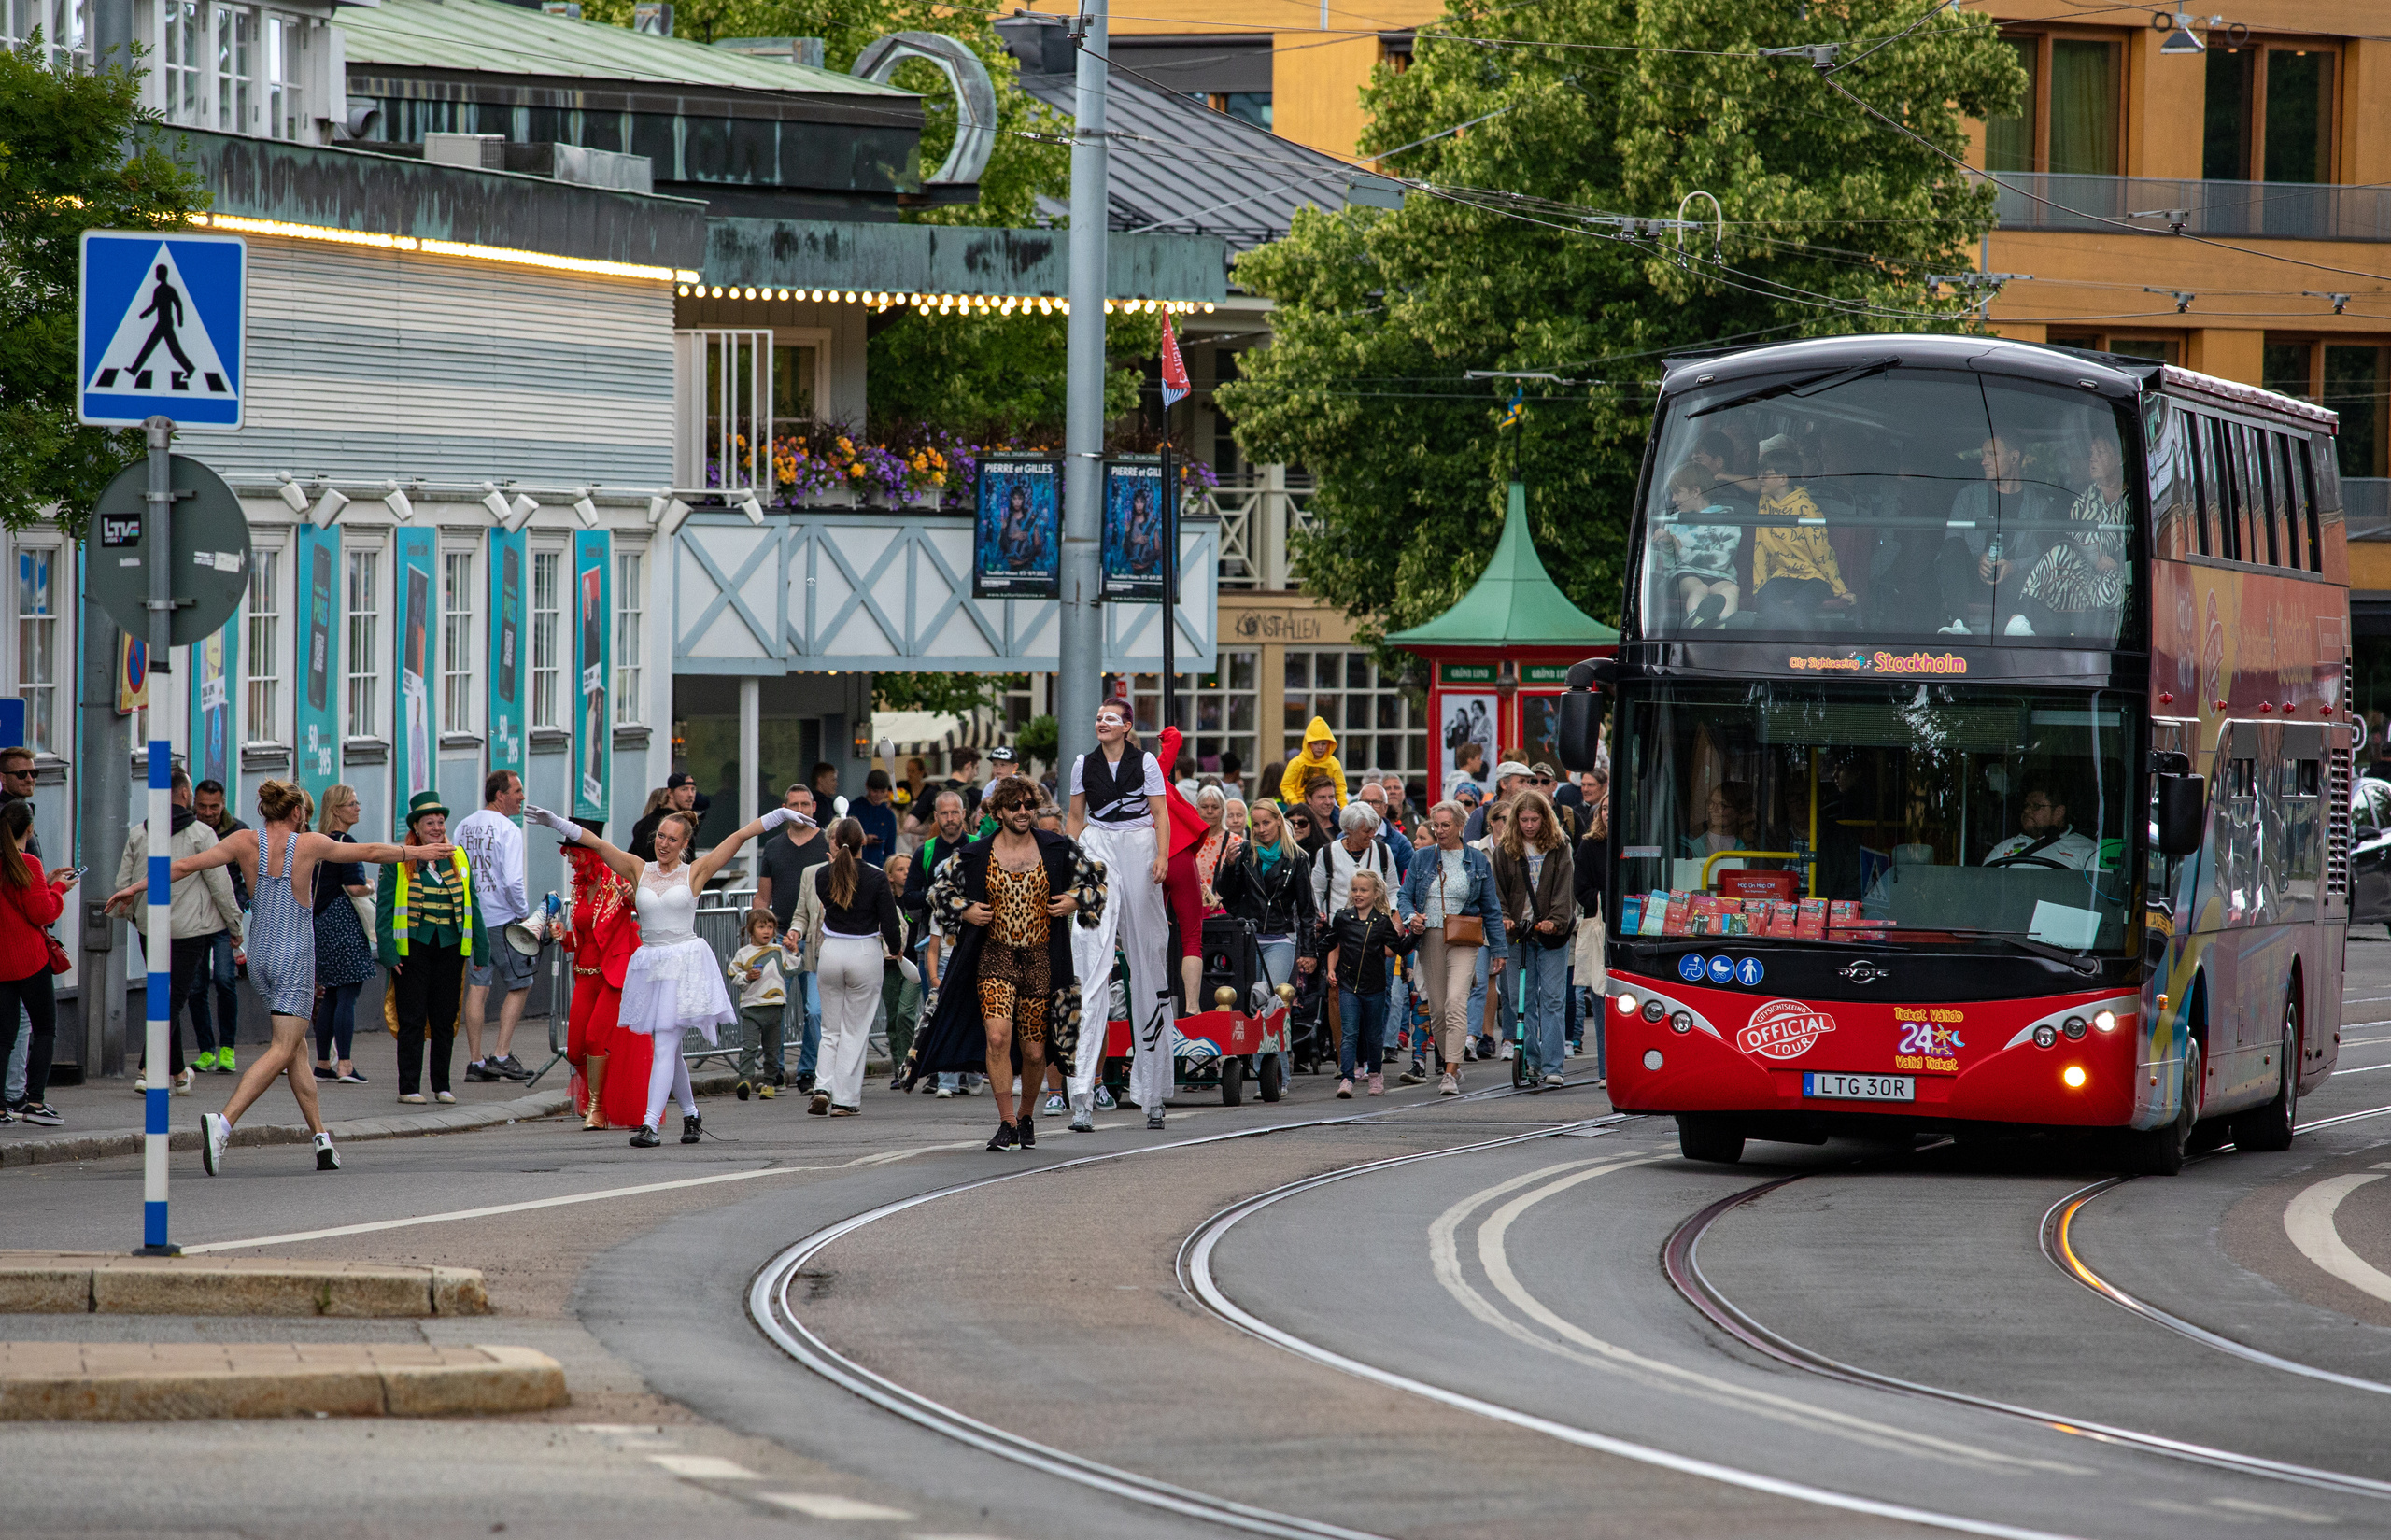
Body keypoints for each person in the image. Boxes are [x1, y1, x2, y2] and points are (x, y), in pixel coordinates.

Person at [111, 780, 448, 1174]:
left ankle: (321, 1139)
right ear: (295, 813)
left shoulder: (242, 841)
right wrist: (420, 850)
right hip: (294, 957)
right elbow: (370, 851)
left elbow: (183, 865)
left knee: (296, 1048)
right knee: (282, 1048)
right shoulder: (308, 844)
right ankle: (223, 1122)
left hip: (260, 957)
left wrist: (134, 888)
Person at [526, 799, 797, 1146]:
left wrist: (781, 815)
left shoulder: (694, 872)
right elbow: (596, 843)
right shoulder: (639, 869)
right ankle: (691, 1114)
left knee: (666, 1042)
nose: (664, 843)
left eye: (672, 839)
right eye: (661, 837)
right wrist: (557, 823)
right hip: (652, 963)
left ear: (685, 845)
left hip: (684, 963)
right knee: (668, 1046)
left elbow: (741, 835)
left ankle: (650, 1124)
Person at [905, 776, 1105, 1150]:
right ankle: (1007, 1122)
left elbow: (1097, 881)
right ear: (997, 812)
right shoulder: (975, 853)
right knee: (997, 1037)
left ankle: (1027, 1115)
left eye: (1029, 805)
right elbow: (938, 892)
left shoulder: (1058, 847)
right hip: (993, 956)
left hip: (1041, 959)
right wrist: (966, 910)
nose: (1024, 812)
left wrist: (1074, 901)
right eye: (1015, 806)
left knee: (1033, 1051)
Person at [1066, 698, 1174, 1131]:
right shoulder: (1082, 763)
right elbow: (1075, 816)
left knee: (1149, 960)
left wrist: (1162, 854)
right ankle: (1081, 1095)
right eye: (1098, 718)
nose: (1101, 723)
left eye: (1110, 719)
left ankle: (1154, 1093)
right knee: (1090, 964)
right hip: (1099, 845)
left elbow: (1160, 814)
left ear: (1127, 725)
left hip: (1139, 845)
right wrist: (1070, 862)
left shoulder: (1145, 761)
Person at [107, 766, 242, 1096]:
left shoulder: (140, 833)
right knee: (172, 1000)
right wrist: (234, 925)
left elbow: (123, 885)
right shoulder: (201, 835)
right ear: (185, 795)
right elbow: (220, 884)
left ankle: (180, 1073)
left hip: (150, 930)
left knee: (166, 997)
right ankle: (148, 1069)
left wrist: (137, 919)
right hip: (189, 932)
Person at [373, 792, 480, 1108]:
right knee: (412, 1019)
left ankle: (442, 1085)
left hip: (450, 948)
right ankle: (408, 1086)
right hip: (412, 951)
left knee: (445, 1018)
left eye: (440, 822)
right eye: (429, 823)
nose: (436, 828)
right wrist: (389, 953)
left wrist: (480, 951)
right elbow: (384, 908)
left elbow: (474, 904)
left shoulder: (457, 857)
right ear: (416, 829)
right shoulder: (400, 859)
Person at [1396, 799, 1506, 1096]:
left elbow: (1491, 908)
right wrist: (1411, 917)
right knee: (1439, 1010)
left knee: (1457, 1000)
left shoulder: (1477, 860)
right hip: (1429, 936)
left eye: (1446, 825)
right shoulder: (1421, 858)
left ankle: (1449, 1072)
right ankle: (1453, 1062)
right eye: (1436, 825)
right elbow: (1404, 897)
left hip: (1464, 937)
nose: (1440, 830)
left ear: (1460, 826)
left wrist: (1498, 949)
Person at [797, 818, 903, 1116]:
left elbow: (832, 897)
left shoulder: (821, 875)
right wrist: (896, 950)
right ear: (863, 843)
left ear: (834, 842)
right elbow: (890, 922)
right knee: (855, 1031)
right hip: (864, 951)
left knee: (830, 1029)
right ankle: (844, 1099)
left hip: (830, 951)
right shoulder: (877, 877)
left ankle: (822, 1085)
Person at [561, 818, 642, 1130]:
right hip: (585, 974)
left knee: (596, 1037)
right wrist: (563, 937)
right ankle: (601, 1095)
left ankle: (597, 1107)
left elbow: (643, 908)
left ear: (589, 853)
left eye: (572, 853)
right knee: (574, 1048)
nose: (569, 859)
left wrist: (633, 897)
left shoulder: (617, 881)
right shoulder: (581, 889)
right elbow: (583, 936)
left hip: (614, 976)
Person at [455, 770, 534, 1084]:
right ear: (500, 795)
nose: (522, 797)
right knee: (521, 982)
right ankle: (501, 1054)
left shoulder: (463, 826)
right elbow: (513, 881)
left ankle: (476, 1061)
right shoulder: (509, 829)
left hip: (473, 919)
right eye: (517, 790)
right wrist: (524, 914)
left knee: (478, 987)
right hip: (502, 919)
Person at [1492, 789, 1576, 1087]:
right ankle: (1531, 1058)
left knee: (1552, 999)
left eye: (1535, 819)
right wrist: (1504, 917)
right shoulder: (1505, 850)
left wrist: (1555, 920)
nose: (1529, 825)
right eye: (1524, 819)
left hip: (1551, 935)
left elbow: (1565, 889)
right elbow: (1497, 891)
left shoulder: (1559, 846)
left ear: (1545, 818)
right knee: (1519, 999)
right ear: (1516, 820)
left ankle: (1554, 1064)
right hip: (1518, 934)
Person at [1940, 433, 2056, 637]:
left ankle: (2018, 622)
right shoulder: (1967, 496)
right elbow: (1952, 540)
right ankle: (1959, 625)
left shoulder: (2040, 504)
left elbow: (2046, 555)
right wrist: (1980, 558)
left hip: (2014, 586)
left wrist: (2013, 567)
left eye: (1991, 455)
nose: (1983, 462)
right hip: (1971, 580)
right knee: (1953, 546)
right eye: (1983, 455)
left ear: (2014, 457)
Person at [0, 803, 71, 1127]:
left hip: (2, 963)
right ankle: (35, 1101)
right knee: (45, 1029)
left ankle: (1, 1105)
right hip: (30, 960)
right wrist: (58, 888)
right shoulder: (28, 862)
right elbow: (43, 913)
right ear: (29, 829)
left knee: (4, 1034)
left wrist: (47, 880)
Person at [754, 783, 828, 1094]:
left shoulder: (828, 842)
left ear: (814, 807)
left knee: (814, 1009)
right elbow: (762, 896)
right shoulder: (773, 847)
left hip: (816, 937)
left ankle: (809, 1070)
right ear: (784, 810)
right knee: (775, 1006)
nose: (800, 810)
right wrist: (759, 927)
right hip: (780, 934)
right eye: (794, 805)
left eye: (805, 804)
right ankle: (775, 1070)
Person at [2018, 435, 2129, 638]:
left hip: (2119, 570)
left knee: (2111, 583)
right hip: (2080, 567)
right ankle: (2022, 617)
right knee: (2060, 552)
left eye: (2100, 453)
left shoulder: (2135, 498)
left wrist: (2117, 562)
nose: (2092, 459)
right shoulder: (2082, 495)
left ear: (2119, 458)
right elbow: (2054, 534)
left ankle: (2100, 644)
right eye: (2091, 454)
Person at [1213, 799, 1316, 1010]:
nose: (1261, 829)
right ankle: (1252, 1043)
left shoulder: (1298, 858)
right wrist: (1230, 866)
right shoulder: (1245, 852)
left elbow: (1307, 909)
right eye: (1256, 824)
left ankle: (1272, 1043)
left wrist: (1308, 952)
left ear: (1279, 821)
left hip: (1281, 937)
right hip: (1249, 935)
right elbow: (1226, 892)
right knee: (1247, 999)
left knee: (1268, 992)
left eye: (1266, 823)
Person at [1322, 869, 1416, 1098]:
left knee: (1374, 1035)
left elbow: (1398, 949)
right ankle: (1347, 1078)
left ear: (1375, 894)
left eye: (1363, 890)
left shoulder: (1382, 922)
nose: (1358, 894)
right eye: (1354, 889)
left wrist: (1415, 933)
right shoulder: (1343, 918)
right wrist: (1327, 967)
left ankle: (1375, 1074)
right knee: (1350, 1032)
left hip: (1374, 987)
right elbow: (1331, 943)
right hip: (1348, 986)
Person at [308, 784, 376, 1086]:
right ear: (336, 810)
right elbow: (354, 887)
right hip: (344, 921)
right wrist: (372, 886)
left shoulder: (317, 843)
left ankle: (323, 1063)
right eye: (352, 803)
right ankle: (345, 1065)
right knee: (347, 995)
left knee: (332, 995)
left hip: (320, 921)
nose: (357, 807)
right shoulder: (345, 843)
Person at [1750, 445, 1852, 629]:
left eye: (1766, 475)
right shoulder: (1765, 503)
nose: (1760, 479)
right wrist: (1760, 585)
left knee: (1802, 604)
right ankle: (1774, 650)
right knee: (1766, 598)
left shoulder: (1806, 508)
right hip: (1783, 575)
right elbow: (1760, 545)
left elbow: (1821, 552)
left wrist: (1840, 589)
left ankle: (1799, 653)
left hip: (1814, 577)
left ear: (1783, 479)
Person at [188, 778, 248, 1074]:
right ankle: (206, 1050)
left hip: (225, 919)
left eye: (214, 806)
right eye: (202, 806)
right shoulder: (188, 829)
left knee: (225, 980)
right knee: (196, 986)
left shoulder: (238, 831)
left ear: (223, 803)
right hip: (195, 918)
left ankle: (227, 1049)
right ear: (193, 803)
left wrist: (242, 905)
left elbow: (249, 873)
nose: (208, 812)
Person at [1154, 724, 1214, 1015]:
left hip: (1145, 860)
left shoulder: (1113, 782)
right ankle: (1192, 1008)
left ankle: (1151, 1005)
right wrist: (1165, 736)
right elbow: (1176, 738)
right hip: (1176, 853)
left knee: (1147, 938)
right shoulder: (1150, 770)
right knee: (1191, 936)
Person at [1658, 459, 1746, 629]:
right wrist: (1667, 545)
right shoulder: (1674, 521)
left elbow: (1721, 560)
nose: (1673, 499)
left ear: (1696, 491)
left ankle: (1723, 627)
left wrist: (1683, 551)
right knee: (1700, 588)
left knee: (1732, 590)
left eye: (1677, 493)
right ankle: (1696, 622)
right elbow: (1669, 565)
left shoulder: (1727, 518)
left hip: (1719, 575)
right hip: (1685, 575)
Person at [727, 909, 787, 1100]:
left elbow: (794, 968)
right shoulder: (743, 954)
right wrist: (747, 976)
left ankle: (770, 1083)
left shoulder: (779, 951)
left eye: (770, 927)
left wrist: (793, 950)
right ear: (751, 930)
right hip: (751, 1007)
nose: (766, 931)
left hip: (774, 1006)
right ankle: (745, 1079)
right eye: (761, 927)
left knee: (772, 1049)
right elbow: (732, 975)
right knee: (750, 1046)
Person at [1314, 801, 1399, 930]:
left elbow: (1393, 890)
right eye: (1366, 831)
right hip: (1338, 931)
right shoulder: (1327, 853)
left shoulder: (1383, 851)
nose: (1372, 835)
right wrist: (1317, 916)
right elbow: (1316, 891)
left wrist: (1393, 915)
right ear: (1349, 829)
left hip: (1375, 930)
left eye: (1374, 829)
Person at [1985, 775, 2100, 869]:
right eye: (2026, 805)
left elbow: (2100, 892)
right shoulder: (2003, 849)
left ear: (2058, 812)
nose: (2027, 810)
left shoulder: (2087, 850)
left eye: (2036, 806)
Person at [1279, 719, 1348, 808]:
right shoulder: (1296, 763)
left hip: (1326, 806)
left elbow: (1340, 786)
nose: (1320, 747)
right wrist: (1295, 803)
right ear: (1308, 743)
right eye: (1315, 744)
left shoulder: (1333, 763)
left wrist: (1343, 805)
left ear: (1329, 744)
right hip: (1301, 806)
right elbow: (1286, 786)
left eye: (1323, 744)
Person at [630, 774, 700, 862]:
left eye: (693, 789)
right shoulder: (680, 825)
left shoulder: (643, 823)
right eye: (684, 789)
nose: (690, 794)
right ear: (670, 792)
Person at [1463, 761, 1533, 842]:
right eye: (1521, 781)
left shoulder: (1530, 813)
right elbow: (1469, 850)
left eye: (1528, 782)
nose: (1527, 787)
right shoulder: (1481, 814)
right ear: (1503, 784)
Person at [853, 769, 898, 869]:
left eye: (882, 791)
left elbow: (890, 850)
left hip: (879, 865)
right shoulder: (854, 808)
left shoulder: (888, 814)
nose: (879, 795)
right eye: (875, 791)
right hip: (856, 864)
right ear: (867, 787)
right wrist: (864, 839)